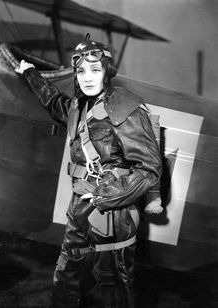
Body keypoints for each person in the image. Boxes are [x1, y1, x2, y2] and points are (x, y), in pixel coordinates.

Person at [15, 35, 162, 308]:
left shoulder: (126, 109)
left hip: (112, 211)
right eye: (81, 71)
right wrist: (31, 74)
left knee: (113, 284)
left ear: (107, 71)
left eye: (95, 69)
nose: (87, 77)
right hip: (80, 205)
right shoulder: (80, 106)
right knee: (66, 276)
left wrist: (102, 197)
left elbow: (149, 170)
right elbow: (56, 104)